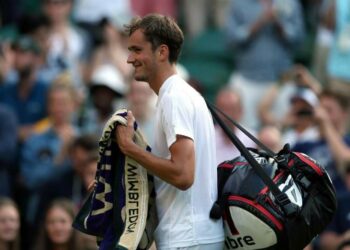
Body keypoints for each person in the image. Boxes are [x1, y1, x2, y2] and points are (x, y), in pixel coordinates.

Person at [115, 14, 224, 249]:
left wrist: (129, 148)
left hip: (188, 238)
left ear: (162, 52)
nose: (129, 59)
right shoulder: (178, 95)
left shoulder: (174, 98)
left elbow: (183, 175)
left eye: (137, 50)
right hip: (193, 236)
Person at [214, 88, 256, 165]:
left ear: (241, 111)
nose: (226, 115)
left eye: (231, 109)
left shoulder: (252, 140)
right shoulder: (206, 138)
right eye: (222, 109)